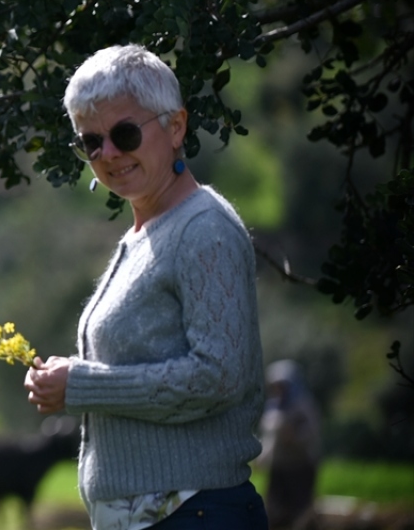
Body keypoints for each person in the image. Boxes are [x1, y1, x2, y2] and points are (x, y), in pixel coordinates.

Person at [23, 44, 268, 530]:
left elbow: (218, 377)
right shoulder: (150, 231)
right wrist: (76, 376)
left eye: (125, 133)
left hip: (195, 514)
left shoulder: (204, 229)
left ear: (175, 127)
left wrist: (85, 386)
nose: (108, 153)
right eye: (91, 142)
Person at [257, 359, 321, 530]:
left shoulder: (303, 405)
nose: (278, 389)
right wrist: (263, 457)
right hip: (279, 468)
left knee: (300, 514)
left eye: (281, 385)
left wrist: (294, 437)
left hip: (300, 467)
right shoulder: (273, 407)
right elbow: (270, 437)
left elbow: (312, 433)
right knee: (275, 512)